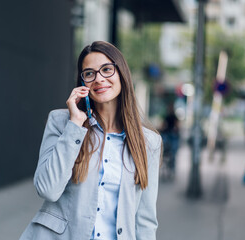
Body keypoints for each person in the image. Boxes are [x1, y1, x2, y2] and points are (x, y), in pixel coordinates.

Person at [19, 41, 162, 240]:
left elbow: (145, 220)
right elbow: (47, 189)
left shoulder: (149, 142)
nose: (99, 79)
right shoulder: (62, 122)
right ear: (82, 83)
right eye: (89, 73)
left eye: (106, 69)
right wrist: (75, 125)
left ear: (121, 73)